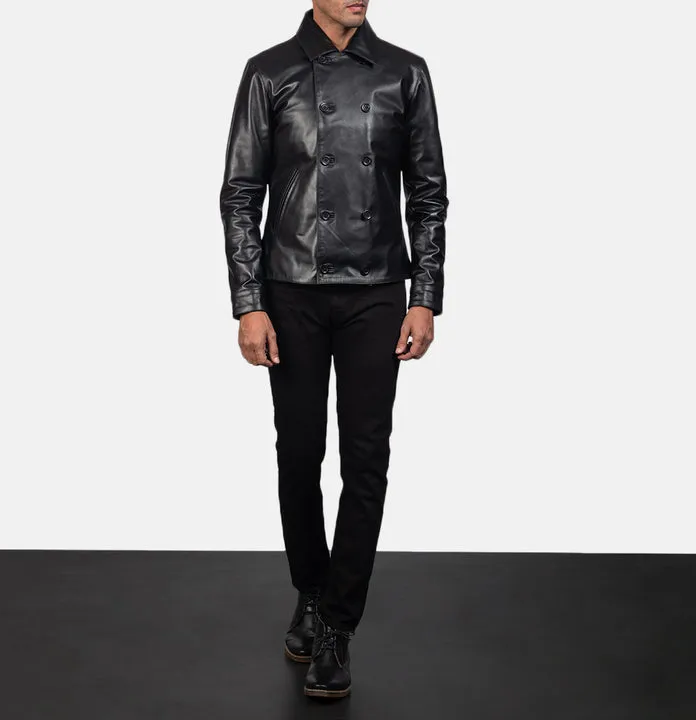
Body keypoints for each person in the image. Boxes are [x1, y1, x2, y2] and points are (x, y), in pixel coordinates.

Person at [220, 0, 448, 699]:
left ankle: (338, 625)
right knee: (298, 453)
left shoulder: (405, 73)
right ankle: (311, 590)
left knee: (367, 459)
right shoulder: (269, 72)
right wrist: (249, 303)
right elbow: (240, 194)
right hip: (291, 289)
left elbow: (429, 193)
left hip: (377, 289)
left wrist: (424, 294)